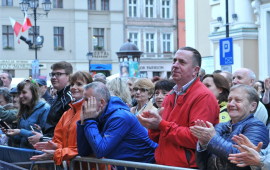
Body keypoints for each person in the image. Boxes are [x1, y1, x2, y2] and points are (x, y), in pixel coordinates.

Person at [137, 47, 220, 168]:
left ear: (195, 70)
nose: (175, 65)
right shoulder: (171, 94)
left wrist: (161, 124)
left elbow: (196, 139)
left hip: (186, 167)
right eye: (174, 61)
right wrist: (152, 126)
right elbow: (160, 138)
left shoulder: (204, 96)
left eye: (182, 62)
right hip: (165, 165)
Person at [77, 82, 158, 166]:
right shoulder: (99, 115)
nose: (83, 105)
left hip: (147, 166)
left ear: (101, 102)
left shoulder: (120, 117)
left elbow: (100, 151)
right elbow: (84, 151)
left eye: (87, 100)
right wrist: (83, 123)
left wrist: (90, 120)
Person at [191, 84, 269, 170]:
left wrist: (212, 139)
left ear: (253, 106)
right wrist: (203, 144)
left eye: (238, 100)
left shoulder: (257, 126)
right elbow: (203, 165)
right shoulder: (220, 126)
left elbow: (242, 159)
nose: (231, 104)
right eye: (229, 100)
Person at [30, 71, 95, 168]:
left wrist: (58, 153)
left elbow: (88, 146)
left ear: (90, 87)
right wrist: (55, 147)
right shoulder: (67, 113)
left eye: (79, 84)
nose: (73, 87)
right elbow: (58, 139)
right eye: (72, 84)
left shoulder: (94, 112)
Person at [28, 61, 73, 144]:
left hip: (59, 149)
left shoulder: (70, 98)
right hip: (52, 145)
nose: (53, 77)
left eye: (58, 74)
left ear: (69, 77)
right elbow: (55, 125)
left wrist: (43, 138)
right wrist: (43, 130)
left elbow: (68, 132)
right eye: (52, 74)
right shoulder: (58, 96)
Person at [2, 79, 50, 149]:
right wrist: (10, 133)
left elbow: (45, 137)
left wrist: (20, 131)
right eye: (19, 93)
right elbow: (19, 140)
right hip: (24, 154)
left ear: (33, 92)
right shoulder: (24, 110)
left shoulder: (45, 109)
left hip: (37, 155)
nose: (20, 96)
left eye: (24, 92)